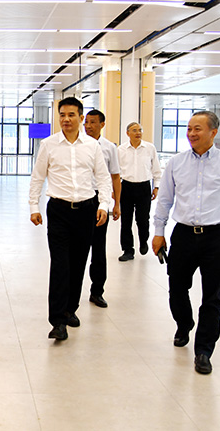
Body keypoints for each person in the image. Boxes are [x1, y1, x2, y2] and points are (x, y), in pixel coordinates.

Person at [152, 111, 220, 375]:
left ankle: (204, 350)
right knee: (177, 288)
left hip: (216, 237)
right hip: (183, 234)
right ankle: (184, 323)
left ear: (213, 132)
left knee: (212, 296)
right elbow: (165, 200)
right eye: (189, 128)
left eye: (198, 129)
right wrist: (158, 231)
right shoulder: (176, 163)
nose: (191, 134)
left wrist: (217, 218)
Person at [29, 97, 112, 341]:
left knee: (78, 264)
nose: (66, 119)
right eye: (62, 115)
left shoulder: (92, 146)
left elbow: (103, 178)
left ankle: (69, 309)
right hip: (59, 211)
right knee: (60, 265)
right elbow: (37, 177)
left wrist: (104, 205)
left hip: (86, 211)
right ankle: (57, 321)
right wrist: (34, 206)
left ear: (81, 117)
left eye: (71, 115)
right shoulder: (48, 145)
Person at [83, 109, 121, 308]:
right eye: (86, 122)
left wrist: (117, 204)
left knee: (98, 248)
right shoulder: (77, 144)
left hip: (100, 200)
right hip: (80, 197)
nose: (88, 126)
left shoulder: (109, 147)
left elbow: (115, 176)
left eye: (92, 122)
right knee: (77, 249)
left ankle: (97, 291)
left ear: (102, 125)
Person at [117, 122, 162, 261]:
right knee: (126, 221)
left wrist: (156, 186)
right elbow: (116, 172)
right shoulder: (121, 150)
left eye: (140, 130)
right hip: (126, 187)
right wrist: (115, 190)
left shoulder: (149, 148)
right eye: (134, 130)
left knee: (143, 219)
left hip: (144, 187)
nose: (138, 133)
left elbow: (156, 169)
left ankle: (143, 241)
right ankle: (128, 250)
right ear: (127, 133)